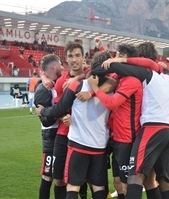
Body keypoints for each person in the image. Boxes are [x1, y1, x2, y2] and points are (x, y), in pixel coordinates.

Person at [92, 42, 169, 199]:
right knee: (164, 181)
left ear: (141, 59)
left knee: (134, 176)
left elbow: (117, 68)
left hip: (153, 129)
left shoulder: (146, 75)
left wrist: (92, 74)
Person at [36, 51, 116, 199]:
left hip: (78, 144)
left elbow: (58, 108)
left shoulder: (77, 87)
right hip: (99, 145)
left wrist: (43, 111)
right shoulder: (112, 89)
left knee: (73, 185)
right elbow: (113, 82)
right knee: (98, 187)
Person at [87, 43, 142, 199]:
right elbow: (101, 70)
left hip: (127, 139)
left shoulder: (132, 80)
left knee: (127, 183)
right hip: (116, 138)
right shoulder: (120, 76)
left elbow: (112, 103)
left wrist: (94, 90)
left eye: (118, 55)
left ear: (127, 60)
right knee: (118, 183)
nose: (114, 59)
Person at [39, 42, 88, 199]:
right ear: (66, 59)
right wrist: (62, 116)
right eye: (70, 56)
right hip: (63, 134)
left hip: (85, 135)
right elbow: (59, 107)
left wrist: (79, 77)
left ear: (83, 57)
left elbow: (100, 67)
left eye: (77, 55)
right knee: (58, 179)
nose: (74, 59)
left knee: (84, 179)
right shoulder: (61, 81)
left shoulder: (91, 75)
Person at [34, 54, 64, 199]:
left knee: (60, 177)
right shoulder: (42, 89)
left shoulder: (54, 82)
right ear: (53, 66)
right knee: (48, 177)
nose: (62, 65)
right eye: (59, 63)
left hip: (61, 135)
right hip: (51, 137)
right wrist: (60, 112)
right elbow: (45, 121)